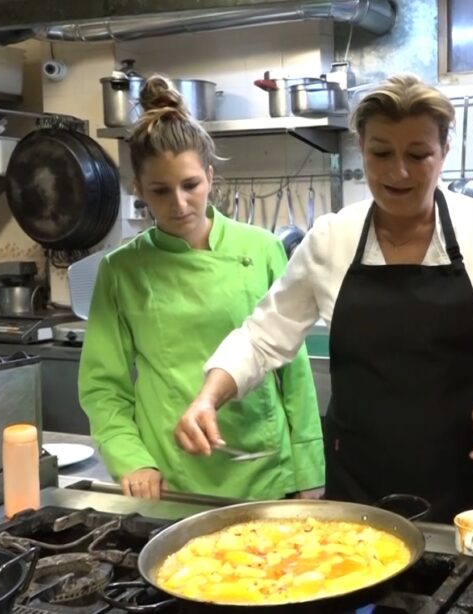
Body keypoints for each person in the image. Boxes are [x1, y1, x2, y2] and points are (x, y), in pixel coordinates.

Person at [174, 74, 473, 522]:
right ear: (361, 147)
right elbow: (262, 337)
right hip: (360, 485)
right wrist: (208, 397)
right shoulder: (330, 240)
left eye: (418, 155)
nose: (399, 171)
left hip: (470, 482)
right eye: (381, 153)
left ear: (444, 153)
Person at [78, 76, 324, 501]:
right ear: (138, 189)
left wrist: (308, 468)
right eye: (160, 190)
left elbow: (294, 370)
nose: (179, 203)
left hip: (265, 469)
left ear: (210, 176)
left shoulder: (262, 249)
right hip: (175, 474)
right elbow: (104, 386)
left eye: (190, 185)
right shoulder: (122, 270)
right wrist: (131, 458)